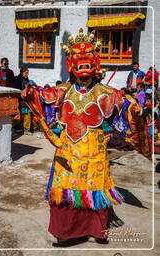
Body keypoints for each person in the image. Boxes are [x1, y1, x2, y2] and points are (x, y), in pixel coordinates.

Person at [24, 28, 150, 246]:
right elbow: (42, 98)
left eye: (88, 59)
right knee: (67, 190)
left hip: (94, 150)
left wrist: (134, 111)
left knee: (94, 189)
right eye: (78, 60)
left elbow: (124, 105)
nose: (84, 64)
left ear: (95, 63)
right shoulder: (62, 91)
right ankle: (67, 233)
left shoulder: (105, 92)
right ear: (71, 65)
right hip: (68, 151)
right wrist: (30, 94)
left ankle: (96, 231)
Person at [14, 67, 33, 135]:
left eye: (28, 73)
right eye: (26, 73)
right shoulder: (18, 79)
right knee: (20, 116)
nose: (27, 74)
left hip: (26, 100)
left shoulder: (26, 79)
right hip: (20, 100)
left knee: (27, 114)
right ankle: (13, 126)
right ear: (22, 72)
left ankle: (26, 130)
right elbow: (17, 90)